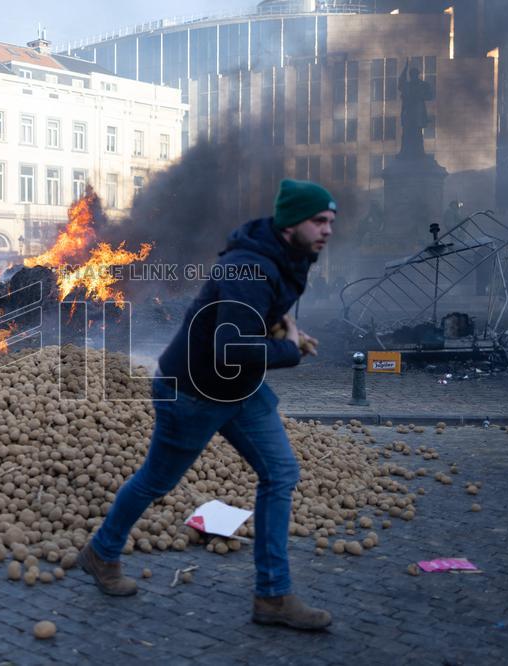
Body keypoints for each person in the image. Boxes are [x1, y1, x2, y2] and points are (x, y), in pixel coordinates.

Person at [78, 179, 336, 631]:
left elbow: (265, 306)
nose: (327, 229)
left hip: (238, 390)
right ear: (291, 222)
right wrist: (289, 351)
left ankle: (273, 596)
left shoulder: (284, 255)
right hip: (192, 392)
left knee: (280, 472)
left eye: (331, 221)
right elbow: (230, 348)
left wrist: (285, 326)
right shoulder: (249, 265)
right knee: (156, 482)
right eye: (319, 220)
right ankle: (101, 552)